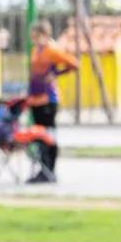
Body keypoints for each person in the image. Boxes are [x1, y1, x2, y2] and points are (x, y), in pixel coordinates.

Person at [25, 20, 78, 184]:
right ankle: (42, 169)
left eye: (36, 36)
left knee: (49, 136)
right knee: (38, 137)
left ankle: (50, 170)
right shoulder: (36, 51)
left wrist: (56, 74)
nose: (33, 39)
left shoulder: (52, 51)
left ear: (45, 35)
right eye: (32, 36)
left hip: (48, 100)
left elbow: (74, 64)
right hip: (35, 100)